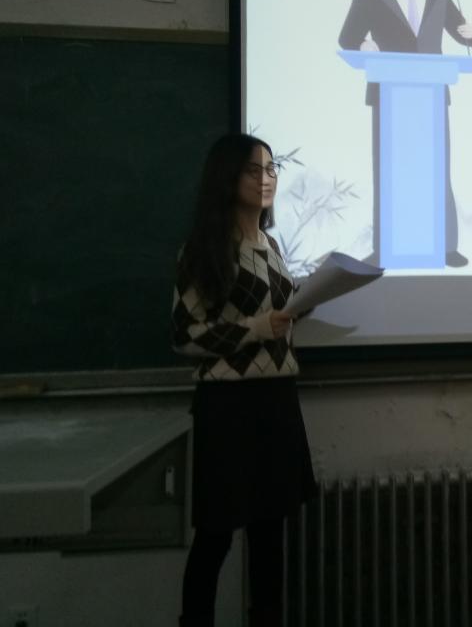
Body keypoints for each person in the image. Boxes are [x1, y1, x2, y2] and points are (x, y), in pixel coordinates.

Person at [173, 133, 316, 627]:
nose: (266, 179)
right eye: (254, 170)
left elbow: (276, 316)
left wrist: (304, 302)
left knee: (269, 534)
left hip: (276, 398)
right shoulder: (203, 251)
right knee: (216, 535)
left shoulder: (271, 247)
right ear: (227, 177)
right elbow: (184, 336)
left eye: (271, 169)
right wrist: (257, 327)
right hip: (228, 407)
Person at [338, 0, 472, 267]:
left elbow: (464, 35)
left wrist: (469, 34)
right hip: (389, 94)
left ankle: (446, 247)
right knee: (388, 171)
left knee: (438, 171)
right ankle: (385, 248)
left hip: (431, 94)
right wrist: (363, 45)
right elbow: (347, 38)